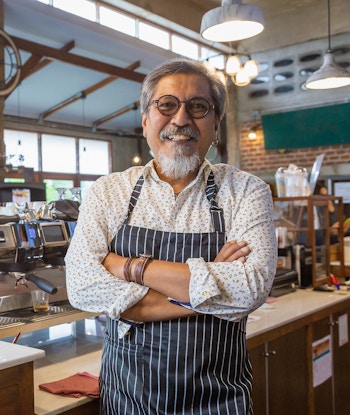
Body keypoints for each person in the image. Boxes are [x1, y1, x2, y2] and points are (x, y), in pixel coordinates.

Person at [65, 58, 277, 414]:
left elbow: (251, 288)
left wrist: (129, 267)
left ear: (216, 123)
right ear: (146, 119)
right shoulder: (108, 192)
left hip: (219, 400)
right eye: (166, 105)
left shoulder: (246, 191)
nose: (181, 120)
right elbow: (81, 285)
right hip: (126, 397)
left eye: (198, 107)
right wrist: (209, 296)